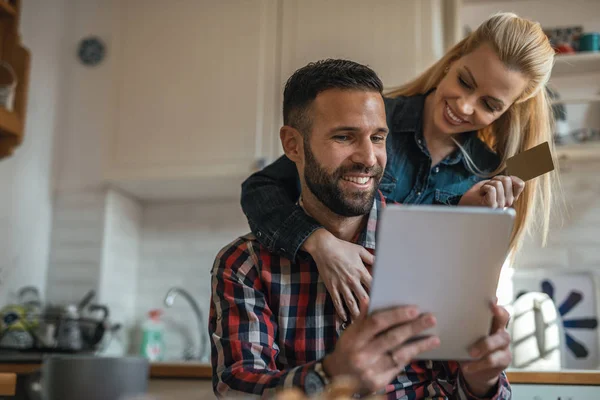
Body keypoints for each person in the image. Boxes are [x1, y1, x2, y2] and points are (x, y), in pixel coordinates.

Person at [210, 59, 512, 399]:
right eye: (344, 136)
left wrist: (480, 383)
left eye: (379, 138)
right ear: (293, 145)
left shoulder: (435, 249)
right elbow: (235, 389)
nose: (369, 158)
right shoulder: (244, 264)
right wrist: (330, 375)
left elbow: (457, 388)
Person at [240, 12, 560, 321]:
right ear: (452, 61)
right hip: (314, 317)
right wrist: (319, 241)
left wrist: (463, 217)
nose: (464, 105)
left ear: (507, 110)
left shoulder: (489, 172)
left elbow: (444, 278)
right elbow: (259, 189)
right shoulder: (371, 123)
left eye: (489, 105)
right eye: (464, 81)